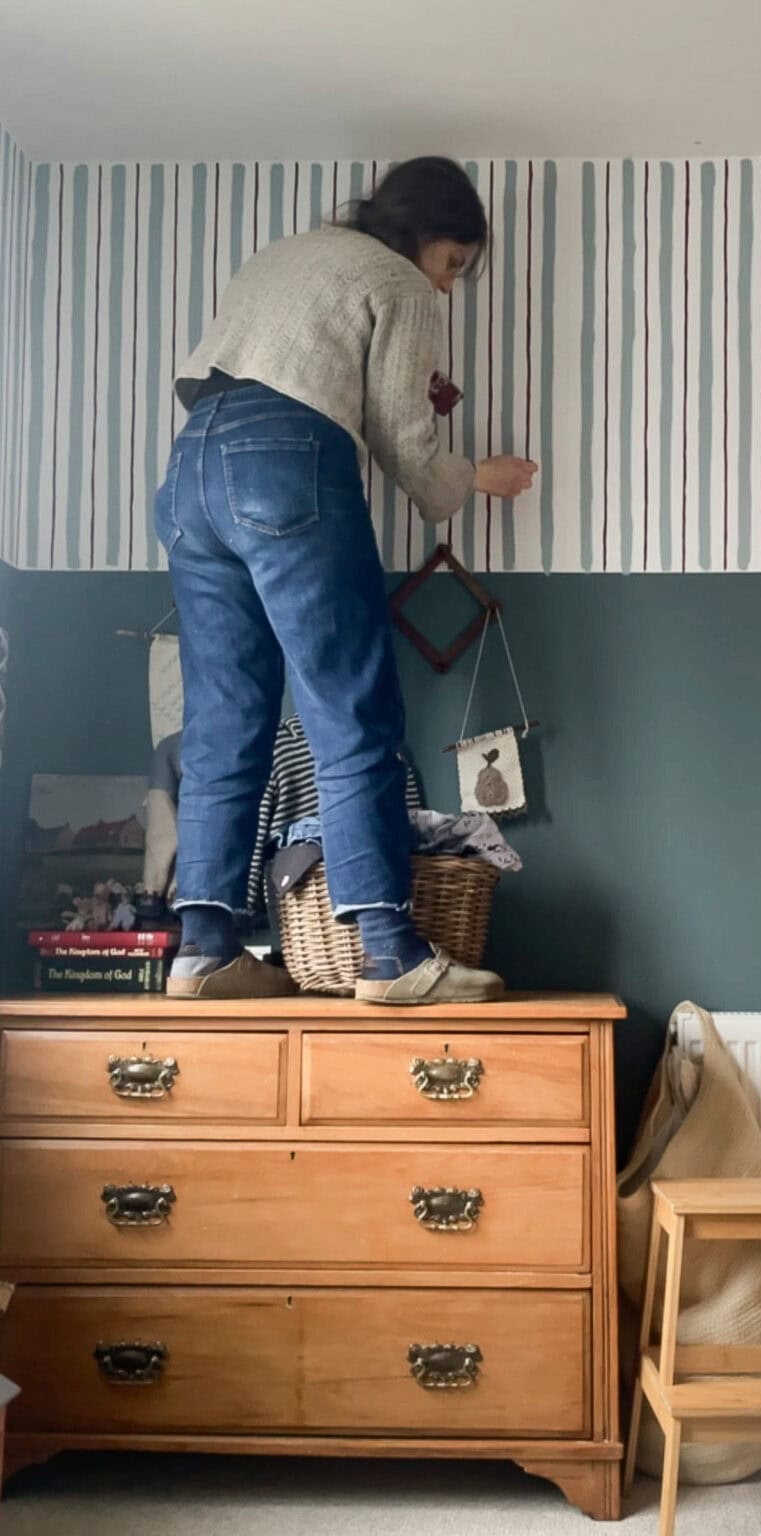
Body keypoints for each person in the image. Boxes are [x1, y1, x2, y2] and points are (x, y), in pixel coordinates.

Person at [155, 157, 536, 1004]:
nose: (445, 289)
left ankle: (204, 947)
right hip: (285, 465)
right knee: (351, 708)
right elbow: (408, 451)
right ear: (427, 237)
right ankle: (391, 954)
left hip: (189, 472)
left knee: (224, 717)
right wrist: (479, 476)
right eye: (454, 267)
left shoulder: (286, 253)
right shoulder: (394, 282)